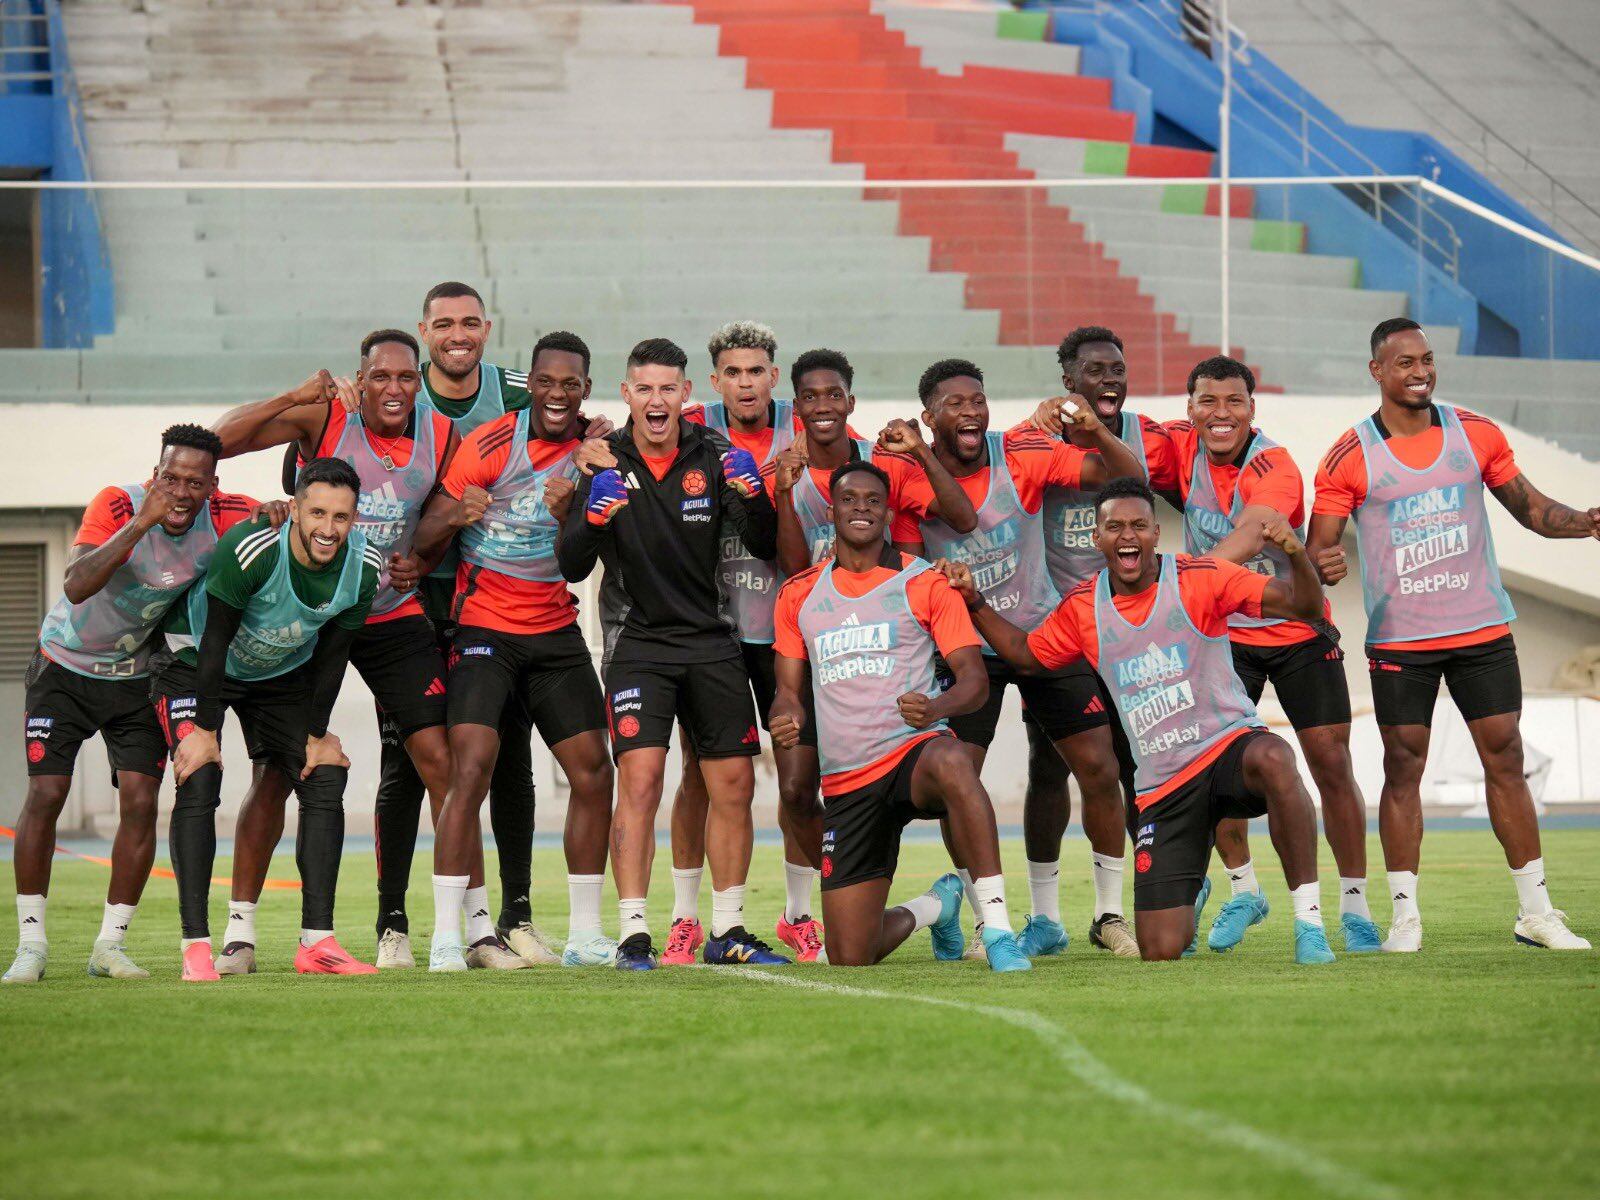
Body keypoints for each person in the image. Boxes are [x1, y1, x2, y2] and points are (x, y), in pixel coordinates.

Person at [208, 329, 518, 970]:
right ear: (362, 377)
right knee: (278, 771)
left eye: (407, 378)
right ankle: (239, 933)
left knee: (446, 763)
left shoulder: (441, 435)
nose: (395, 389)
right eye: (381, 377)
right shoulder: (327, 415)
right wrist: (290, 396)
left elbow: (438, 520)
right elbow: (222, 439)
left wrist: (418, 559)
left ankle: (478, 928)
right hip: (307, 617)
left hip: (386, 611)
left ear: (421, 380)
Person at [945, 476, 1337, 963]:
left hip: (1226, 749)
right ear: (1097, 539)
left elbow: (1304, 605)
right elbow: (1025, 656)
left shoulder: (1203, 576)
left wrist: (1296, 553)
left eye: (1137, 525)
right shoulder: (1082, 609)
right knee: (1160, 947)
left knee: (1276, 756)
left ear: (1156, 532)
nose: (1126, 535)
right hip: (1165, 787)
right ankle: (1190, 890)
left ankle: (1309, 924)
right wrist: (975, 602)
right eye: (1114, 527)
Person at [1307, 318, 1597, 952]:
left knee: (1506, 758)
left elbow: (1534, 512)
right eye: (1405, 362)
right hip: (1400, 642)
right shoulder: (1350, 454)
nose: (1420, 371)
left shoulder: (1475, 433)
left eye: (1427, 360)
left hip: (1482, 629)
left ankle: (1537, 912)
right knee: (1402, 768)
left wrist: (1586, 522)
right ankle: (1405, 918)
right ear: (1377, 372)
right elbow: (1316, 550)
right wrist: (1323, 564)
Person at [4, 426, 261, 985]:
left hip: (137, 680)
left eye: (194, 482)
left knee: (142, 802)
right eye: (169, 478)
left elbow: (291, 522)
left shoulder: (230, 514)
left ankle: (109, 945)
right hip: (63, 667)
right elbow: (76, 584)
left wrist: (287, 514)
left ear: (212, 487)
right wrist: (140, 522)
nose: (180, 491)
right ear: (154, 475)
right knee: (47, 793)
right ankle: (30, 945)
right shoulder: (118, 502)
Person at [559, 338, 786, 970]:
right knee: (641, 780)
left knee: (734, 783)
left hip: (712, 643)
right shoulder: (605, 461)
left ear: (688, 394)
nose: (656, 400)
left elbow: (766, 544)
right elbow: (571, 564)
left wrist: (756, 494)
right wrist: (591, 518)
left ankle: (728, 929)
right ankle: (633, 932)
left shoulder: (716, 455)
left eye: (668, 388)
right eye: (644, 388)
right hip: (639, 645)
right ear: (626, 394)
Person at [906, 357, 1143, 960]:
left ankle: (1104, 914)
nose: (971, 411)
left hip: (1041, 636)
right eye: (955, 404)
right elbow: (907, 559)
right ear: (928, 417)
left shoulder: (1022, 452)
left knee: (1098, 767)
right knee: (958, 781)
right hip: (966, 648)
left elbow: (1127, 477)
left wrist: (1092, 431)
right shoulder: (908, 469)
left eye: (977, 400)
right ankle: (991, 921)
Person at [346, 280, 545, 962]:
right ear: (423, 330)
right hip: (413, 601)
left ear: (487, 328)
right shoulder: (392, 392)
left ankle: (513, 917)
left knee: (507, 756)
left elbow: (565, 417)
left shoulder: (517, 388)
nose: (456, 335)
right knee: (408, 758)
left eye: (469, 323)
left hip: (495, 596)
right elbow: (319, 468)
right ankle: (393, 923)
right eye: (443, 325)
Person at [770, 461, 1029, 970]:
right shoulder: (799, 594)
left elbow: (974, 681)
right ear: (831, 511)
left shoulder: (925, 583)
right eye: (849, 499)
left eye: (872, 500)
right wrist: (787, 714)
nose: (861, 507)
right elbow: (787, 691)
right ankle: (935, 906)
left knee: (955, 761)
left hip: (912, 755)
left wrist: (936, 708)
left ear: (889, 512)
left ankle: (998, 928)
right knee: (850, 956)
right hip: (847, 782)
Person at [412, 331, 617, 971]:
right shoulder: (491, 443)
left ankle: (584, 933)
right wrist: (455, 515)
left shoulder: (598, 455)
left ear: (586, 388)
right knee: (468, 769)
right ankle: (450, 935)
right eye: (547, 382)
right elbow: (423, 539)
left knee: (593, 772)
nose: (558, 394)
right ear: (532, 382)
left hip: (555, 631)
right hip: (484, 630)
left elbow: (585, 559)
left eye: (571, 384)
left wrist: (571, 511)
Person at [1166, 355, 1379, 953]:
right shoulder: (1182, 448)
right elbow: (1123, 449)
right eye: (1208, 401)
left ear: (1252, 409)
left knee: (1330, 764)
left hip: (1294, 633)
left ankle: (1355, 909)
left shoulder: (1274, 463)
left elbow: (1259, 527)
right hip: (1223, 637)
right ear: (1191, 409)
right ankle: (1244, 890)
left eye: (1233, 401)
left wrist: (1186, 578)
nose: (1220, 413)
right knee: (1210, 770)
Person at [153, 457, 381, 981]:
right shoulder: (252, 547)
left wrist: (317, 735)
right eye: (318, 513)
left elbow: (333, 655)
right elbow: (215, 642)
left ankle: (317, 943)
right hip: (196, 662)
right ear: (296, 508)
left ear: (354, 518)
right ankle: (196, 948)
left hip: (278, 673)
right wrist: (205, 732)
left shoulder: (363, 566)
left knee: (324, 773)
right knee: (200, 774)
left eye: (341, 518)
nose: (328, 529)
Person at [1009, 326, 1182, 957]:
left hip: (1137, 628)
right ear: (1068, 381)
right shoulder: (1033, 437)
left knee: (1142, 769)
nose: (1108, 380)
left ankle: (1131, 906)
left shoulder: (1146, 438)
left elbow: (1144, 483)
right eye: (1094, 371)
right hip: (1065, 630)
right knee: (1050, 768)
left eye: (1117, 369)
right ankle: (1047, 915)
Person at [663, 321, 827, 964]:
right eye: (733, 372)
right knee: (697, 779)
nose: (745, 382)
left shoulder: (806, 423)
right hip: (712, 636)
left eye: (756, 370)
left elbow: (864, 464)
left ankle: (799, 916)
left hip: (789, 636)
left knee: (796, 785)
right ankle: (683, 919)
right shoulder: (691, 424)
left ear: (773, 375)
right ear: (714, 381)